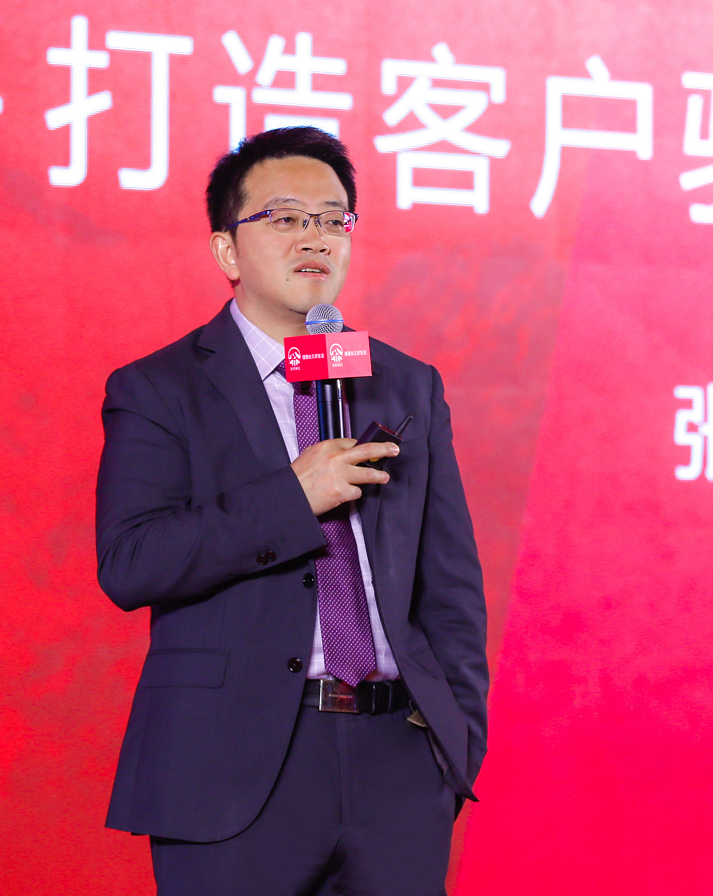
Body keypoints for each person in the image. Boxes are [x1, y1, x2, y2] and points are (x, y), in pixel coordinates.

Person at [95, 126, 488, 896]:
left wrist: (454, 738)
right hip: (234, 765)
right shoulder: (159, 388)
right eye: (285, 218)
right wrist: (291, 498)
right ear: (227, 250)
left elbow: (450, 585)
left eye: (333, 219)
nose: (315, 237)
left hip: (398, 760)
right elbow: (132, 562)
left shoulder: (405, 384)